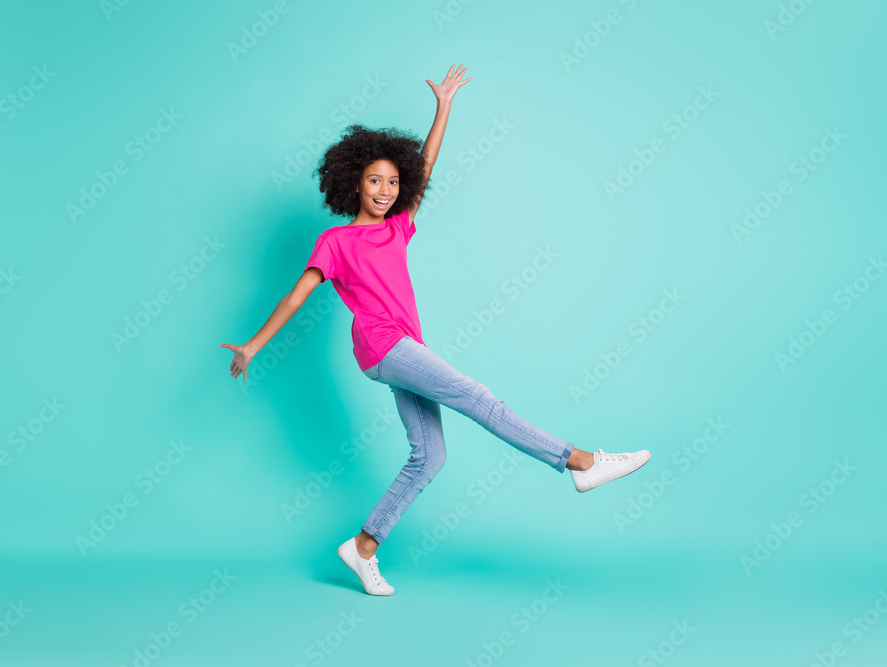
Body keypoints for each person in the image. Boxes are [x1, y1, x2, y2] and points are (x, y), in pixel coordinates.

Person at [221, 64, 650, 597]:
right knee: (478, 398)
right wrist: (253, 346)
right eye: (374, 180)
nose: (384, 189)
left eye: (392, 182)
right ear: (353, 181)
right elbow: (295, 296)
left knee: (430, 457)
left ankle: (362, 548)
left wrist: (443, 106)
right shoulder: (335, 242)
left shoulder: (399, 226)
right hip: (382, 345)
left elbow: (425, 164)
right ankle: (579, 461)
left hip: (404, 348)